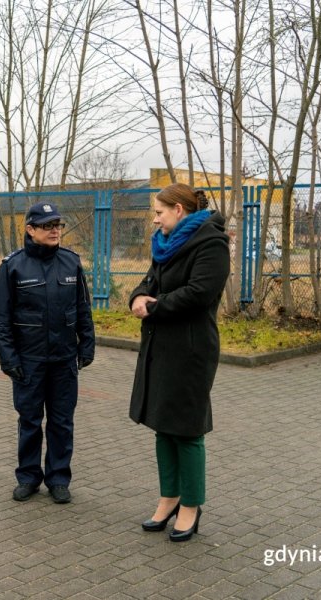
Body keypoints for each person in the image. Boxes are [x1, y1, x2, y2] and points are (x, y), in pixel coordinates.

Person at [129, 182, 230, 542]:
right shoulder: (165, 246)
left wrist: (153, 305)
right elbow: (148, 281)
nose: (155, 220)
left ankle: (191, 505)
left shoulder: (212, 244)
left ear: (179, 210)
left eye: (159, 212)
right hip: (160, 347)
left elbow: (199, 294)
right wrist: (138, 296)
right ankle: (169, 497)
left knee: (186, 430)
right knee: (162, 424)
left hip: (191, 350)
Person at [0, 202, 95, 504]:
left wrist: (86, 344)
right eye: (48, 226)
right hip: (29, 361)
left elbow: (83, 308)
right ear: (30, 229)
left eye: (58, 226)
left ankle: (58, 479)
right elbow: (2, 320)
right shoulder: (13, 266)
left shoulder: (71, 263)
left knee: (62, 421)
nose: (55, 231)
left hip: (64, 359)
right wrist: (9, 359)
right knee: (30, 421)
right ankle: (28, 477)